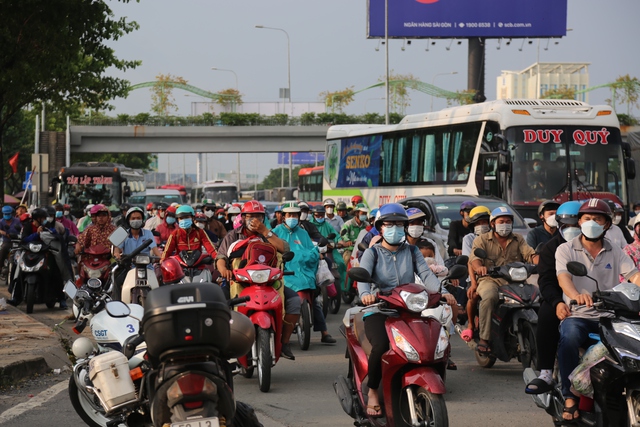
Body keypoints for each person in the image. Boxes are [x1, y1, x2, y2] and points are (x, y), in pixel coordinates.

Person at [358, 203, 456, 417]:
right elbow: (363, 278)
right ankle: (373, 389)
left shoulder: (412, 251)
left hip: (408, 309)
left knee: (431, 338)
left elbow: (427, 275)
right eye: (390, 224)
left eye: (400, 224)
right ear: (380, 227)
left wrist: (442, 291)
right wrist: (366, 294)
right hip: (379, 309)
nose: (395, 228)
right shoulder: (372, 253)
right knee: (381, 345)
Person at [555, 199, 640, 422]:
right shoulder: (565, 249)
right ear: (579, 221)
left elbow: (634, 276)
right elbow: (564, 278)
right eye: (586, 218)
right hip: (580, 315)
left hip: (611, 316)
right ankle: (569, 396)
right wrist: (576, 296)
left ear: (607, 224)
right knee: (569, 337)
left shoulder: (616, 251)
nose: (591, 222)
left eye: (598, 218)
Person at [216, 200, 298, 359]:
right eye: (250, 217)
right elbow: (220, 257)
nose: (254, 220)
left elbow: (284, 249)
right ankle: (224, 344)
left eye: (258, 217)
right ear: (243, 217)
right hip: (239, 281)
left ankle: (284, 343)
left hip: (268, 283)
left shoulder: (268, 234)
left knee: (294, 301)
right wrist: (224, 270)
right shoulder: (233, 236)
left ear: (263, 218)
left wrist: (265, 232)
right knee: (219, 304)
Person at [525, 201, 582, 395]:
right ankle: (546, 372)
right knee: (546, 316)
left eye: (576, 225)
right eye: (567, 226)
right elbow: (547, 281)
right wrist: (557, 302)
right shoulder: (551, 248)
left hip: (593, 300)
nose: (572, 230)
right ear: (558, 224)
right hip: (558, 297)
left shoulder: (597, 246)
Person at [469, 206, 538, 355]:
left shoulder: (518, 239)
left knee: (535, 297)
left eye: (508, 221)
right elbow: (474, 259)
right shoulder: (482, 239)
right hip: (490, 280)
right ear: (493, 223)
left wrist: (540, 262)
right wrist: (480, 267)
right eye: (501, 221)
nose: (505, 224)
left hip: (514, 280)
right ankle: (484, 339)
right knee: (489, 297)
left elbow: (530, 254)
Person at [272, 202, 336, 345]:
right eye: (289, 215)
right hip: (286, 273)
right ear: (283, 216)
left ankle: (324, 332)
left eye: (295, 215)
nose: (292, 217)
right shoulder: (276, 232)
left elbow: (311, 250)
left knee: (315, 299)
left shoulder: (303, 233)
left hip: (305, 273)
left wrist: (315, 254)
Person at [459, 206, 492, 342]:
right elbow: (470, 261)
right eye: (478, 223)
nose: (481, 226)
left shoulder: (495, 236)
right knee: (473, 296)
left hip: (498, 276)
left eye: (484, 222)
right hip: (476, 277)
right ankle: (471, 325)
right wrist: (473, 283)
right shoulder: (470, 239)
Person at [340, 203, 369, 267]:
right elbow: (343, 233)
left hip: (364, 249)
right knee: (346, 259)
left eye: (365, 213)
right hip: (351, 249)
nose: (364, 215)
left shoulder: (367, 225)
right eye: (362, 213)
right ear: (356, 213)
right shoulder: (348, 223)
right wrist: (348, 240)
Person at [0, 206, 22, 282]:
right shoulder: (1, 221)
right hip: (7, 242)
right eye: (5, 214)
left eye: (8, 214)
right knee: (2, 250)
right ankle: (1, 267)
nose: (7, 215)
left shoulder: (17, 221)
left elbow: (22, 229)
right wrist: (2, 232)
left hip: (16, 241)